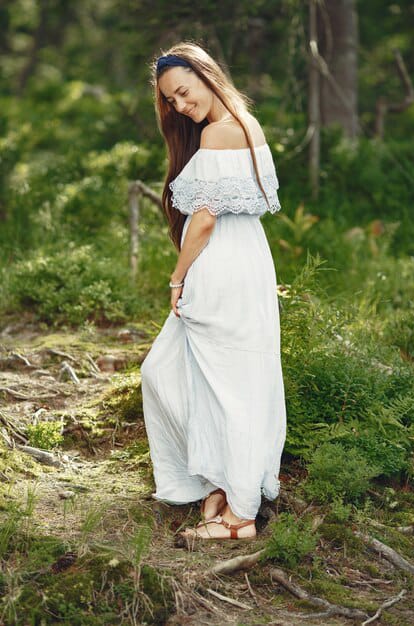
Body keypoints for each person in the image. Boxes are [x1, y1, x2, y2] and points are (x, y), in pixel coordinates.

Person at [140, 41, 287, 543]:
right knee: (224, 378)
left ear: (206, 75)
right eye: (172, 101)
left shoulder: (219, 135)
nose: (181, 106)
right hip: (246, 261)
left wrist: (178, 277)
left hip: (220, 264)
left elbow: (203, 221)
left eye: (183, 92)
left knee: (219, 382)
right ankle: (223, 483)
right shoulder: (243, 122)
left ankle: (240, 514)